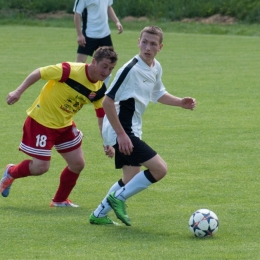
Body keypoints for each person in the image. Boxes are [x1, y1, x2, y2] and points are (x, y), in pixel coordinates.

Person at [89, 26, 196, 225]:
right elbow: (106, 102)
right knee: (160, 169)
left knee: (130, 177)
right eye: (144, 42)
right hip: (121, 128)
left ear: (160, 47)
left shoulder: (155, 67)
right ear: (138, 42)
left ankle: (98, 214)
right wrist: (120, 135)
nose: (148, 47)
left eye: (153, 44)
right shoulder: (130, 69)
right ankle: (118, 198)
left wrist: (180, 102)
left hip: (131, 129)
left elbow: (158, 94)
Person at [0, 47, 118, 207]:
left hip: (65, 125)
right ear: (94, 62)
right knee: (41, 167)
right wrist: (18, 91)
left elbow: (101, 117)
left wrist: (107, 141)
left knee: (78, 164)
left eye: (111, 69)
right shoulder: (69, 70)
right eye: (104, 66)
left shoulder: (100, 89)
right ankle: (11, 172)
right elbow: (39, 72)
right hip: (41, 122)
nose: (106, 72)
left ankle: (59, 200)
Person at [73, 0, 123, 86]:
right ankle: (75, 86)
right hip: (89, 34)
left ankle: (102, 90)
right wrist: (79, 34)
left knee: (110, 62)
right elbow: (77, 14)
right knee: (79, 63)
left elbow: (108, 7)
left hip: (105, 34)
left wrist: (117, 21)